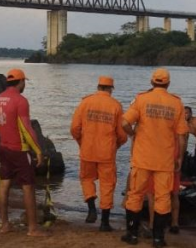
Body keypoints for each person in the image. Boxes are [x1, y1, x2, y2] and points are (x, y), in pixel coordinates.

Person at [121, 68, 188, 248]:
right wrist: (180, 158)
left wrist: (132, 133)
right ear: (168, 83)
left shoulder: (141, 99)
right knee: (162, 198)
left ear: (152, 82)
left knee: (135, 195)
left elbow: (124, 122)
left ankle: (132, 235)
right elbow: (182, 136)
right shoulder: (176, 103)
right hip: (165, 161)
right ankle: (158, 239)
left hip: (142, 159)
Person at [0, 68, 49, 237]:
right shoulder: (20, 100)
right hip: (19, 150)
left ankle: (5, 225)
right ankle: (32, 229)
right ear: (21, 82)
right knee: (28, 188)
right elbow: (26, 128)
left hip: (3, 147)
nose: (25, 85)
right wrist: (38, 151)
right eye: (24, 82)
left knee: (4, 185)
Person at [70, 76, 128, 231]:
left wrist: (82, 143)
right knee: (107, 185)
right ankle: (105, 223)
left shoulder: (85, 103)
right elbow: (122, 135)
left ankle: (91, 208)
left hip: (87, 150)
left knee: (86, 179)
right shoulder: (116, 106)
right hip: (106, 153)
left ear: (98, 87)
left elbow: (74, 128)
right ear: (111, 89)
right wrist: (116, 145)